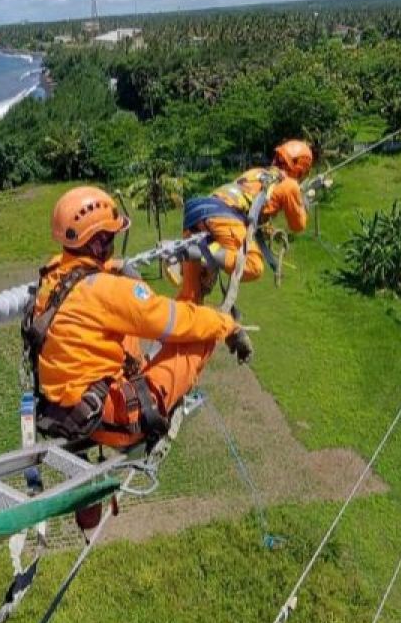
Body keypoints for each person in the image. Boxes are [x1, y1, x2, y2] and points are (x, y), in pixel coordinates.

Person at [24, 186, 253, 449]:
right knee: (201, 334)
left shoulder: (52, 276)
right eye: (109, 237)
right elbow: (174, 322)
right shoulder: (108, 291)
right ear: (97, 242)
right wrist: (227, 325)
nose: (112, 244)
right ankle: (152, 393)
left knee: (124, 333)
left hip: (67, 411)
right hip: (112, 421)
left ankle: (136, 373)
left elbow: (87, 274)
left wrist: (115, 266)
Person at [176, 139, 314, 303]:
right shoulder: (290, 185)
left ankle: (195, 257)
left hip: (197, 211)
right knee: (253, 266)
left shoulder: (256, 173)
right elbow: (298, 225)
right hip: (224, 215)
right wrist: (302, 202)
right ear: (300, 170)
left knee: (191, 296)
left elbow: (253, 209)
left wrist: (267, 228)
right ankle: (202, 254)